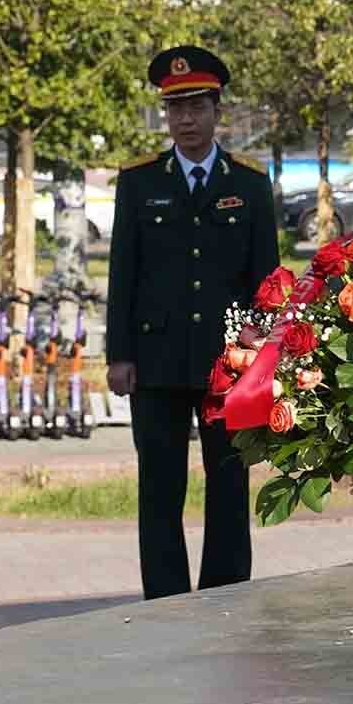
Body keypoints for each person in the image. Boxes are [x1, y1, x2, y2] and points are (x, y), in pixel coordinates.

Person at [106, 47, 279, 599]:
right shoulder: (139, 182)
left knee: (229, 484)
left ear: (217, 111)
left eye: (196, 107)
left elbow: (266, 281)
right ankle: (165, 600)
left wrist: (264, 357)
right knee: (160, 487)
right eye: (175, 109)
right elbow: (122, 273)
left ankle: (227, 594)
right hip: (155, 361)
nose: (185, 120)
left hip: (227, 363)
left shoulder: (250, 185)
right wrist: (119, 354)